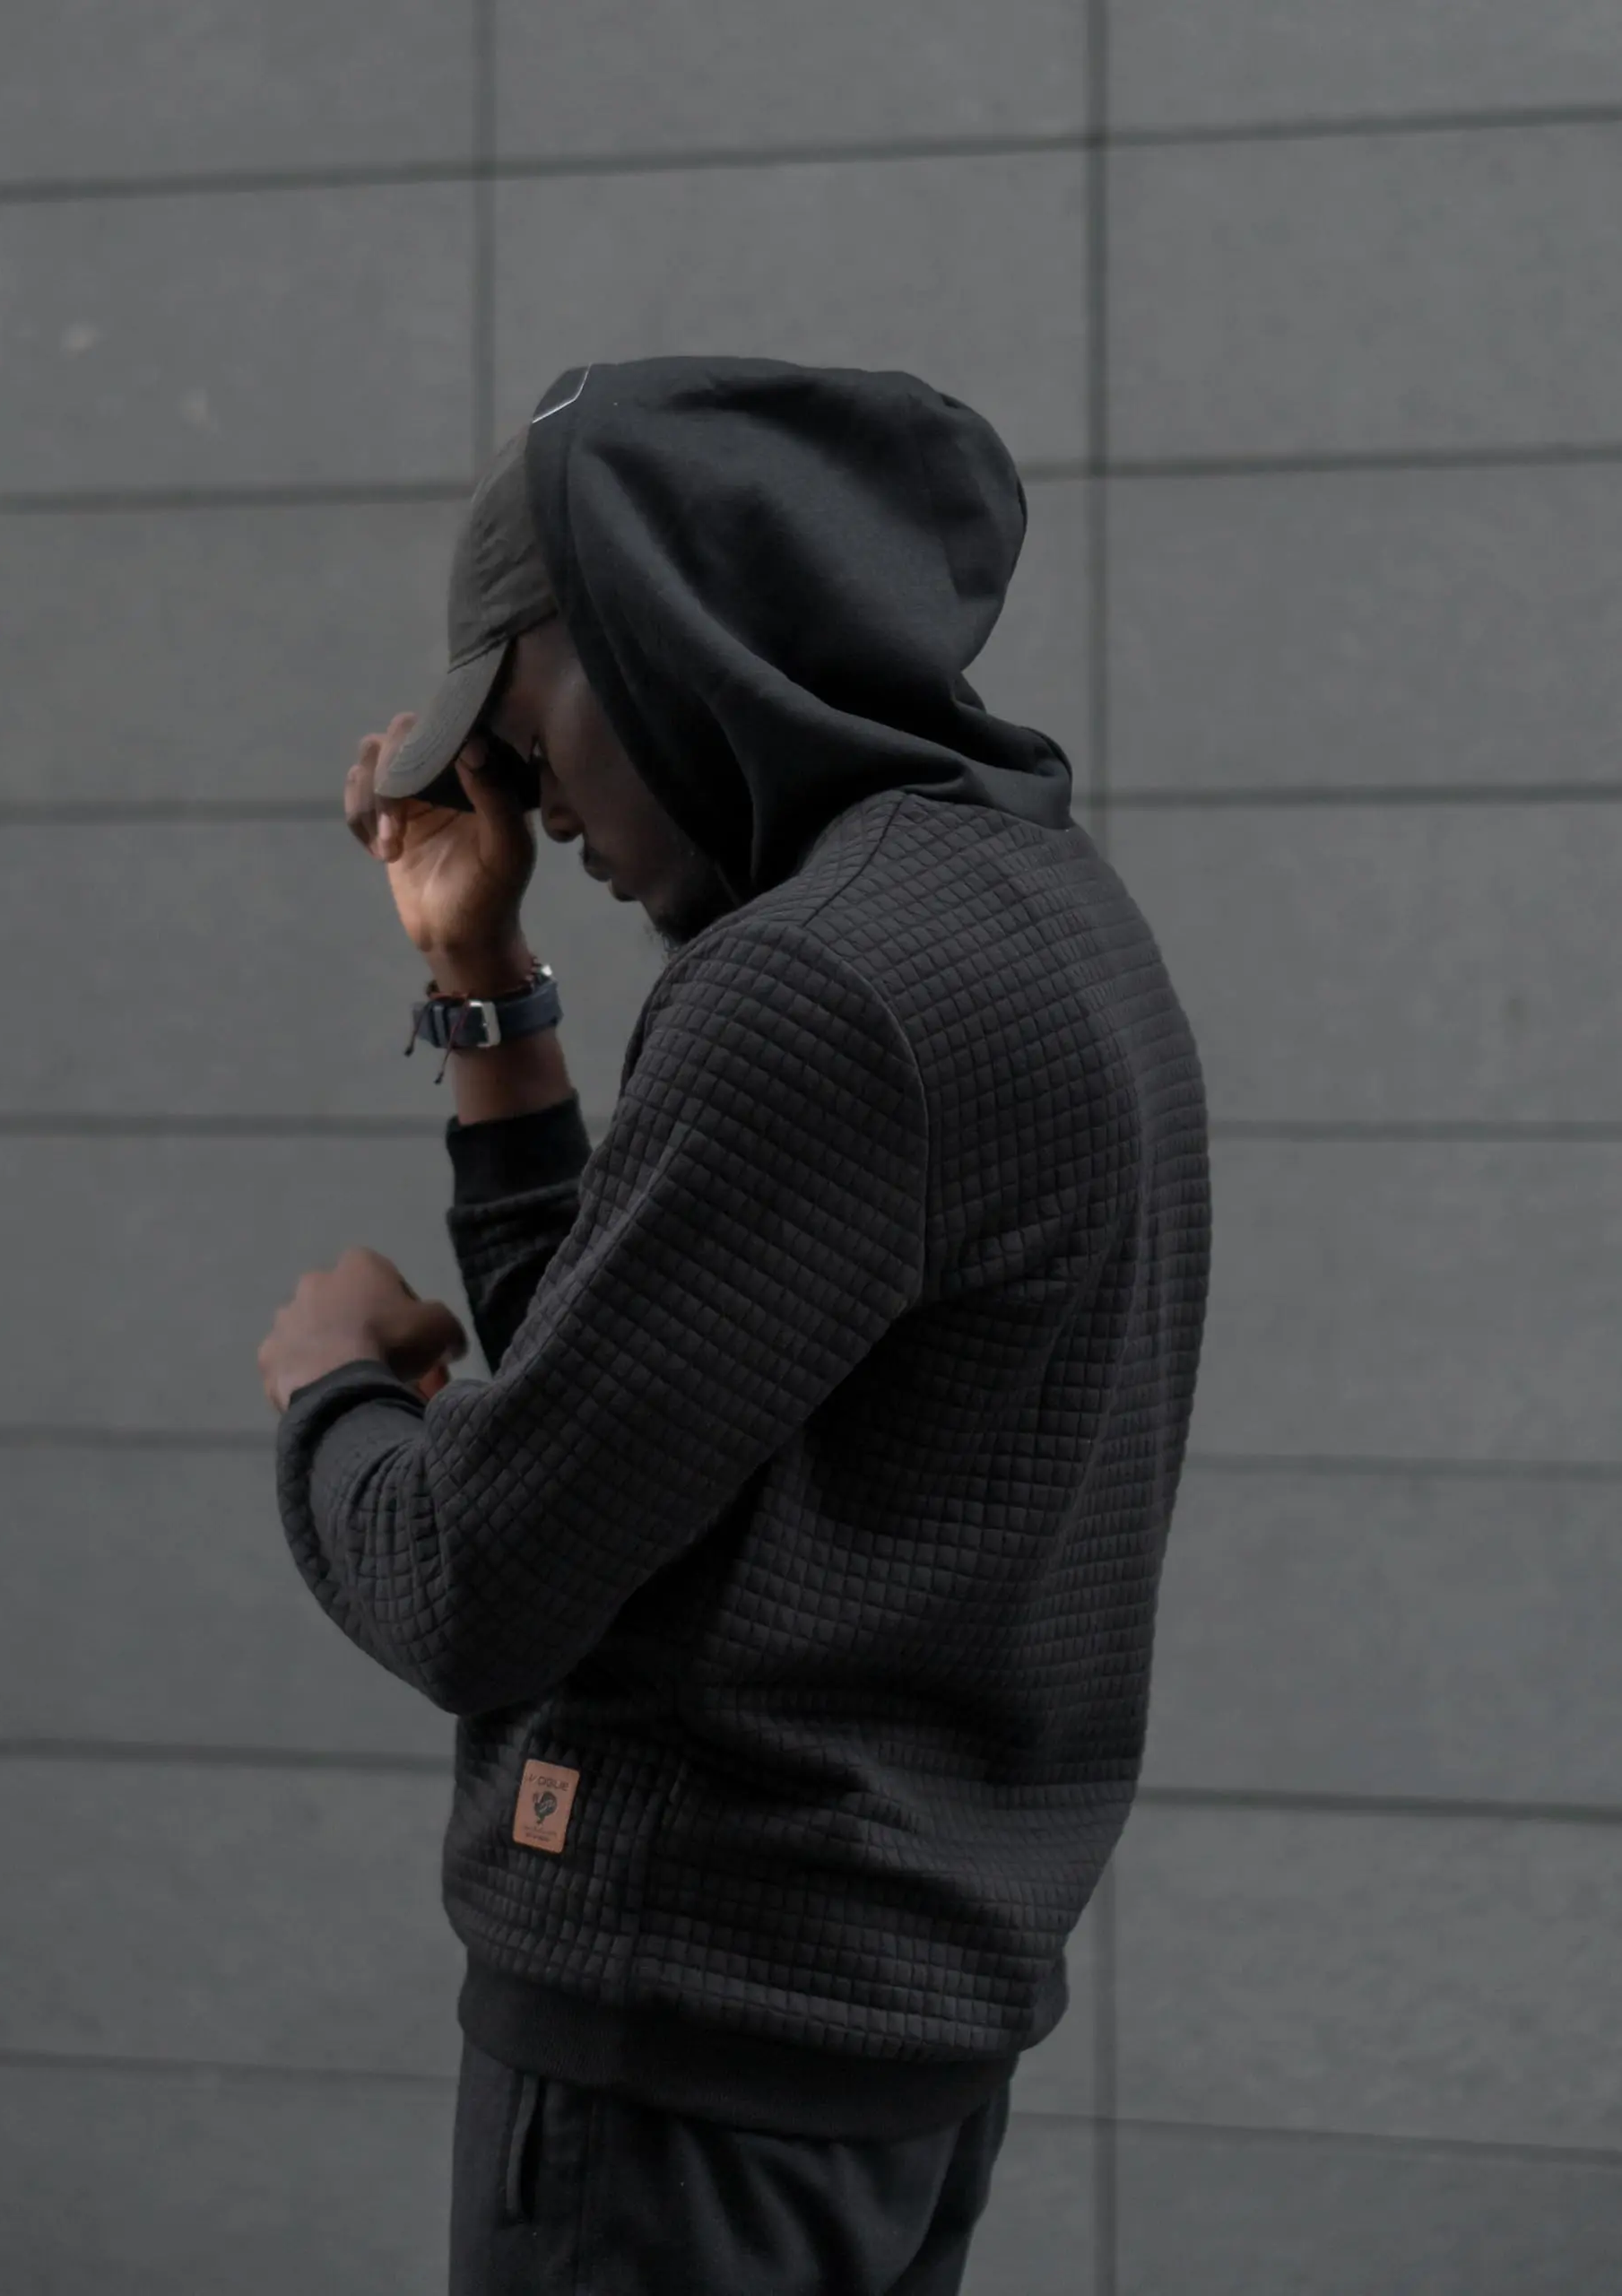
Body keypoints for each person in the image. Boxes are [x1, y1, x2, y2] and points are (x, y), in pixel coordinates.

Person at [256, 355, 1212, 2295]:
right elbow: (648, 1413)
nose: (530, 807)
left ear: (658, 646)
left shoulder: (815, 988)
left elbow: (475, 1586)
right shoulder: (1030, 905)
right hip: (868, 2052)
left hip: (680, 2050)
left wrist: (331, 1389)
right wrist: (482, 979)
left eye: (523, 732)